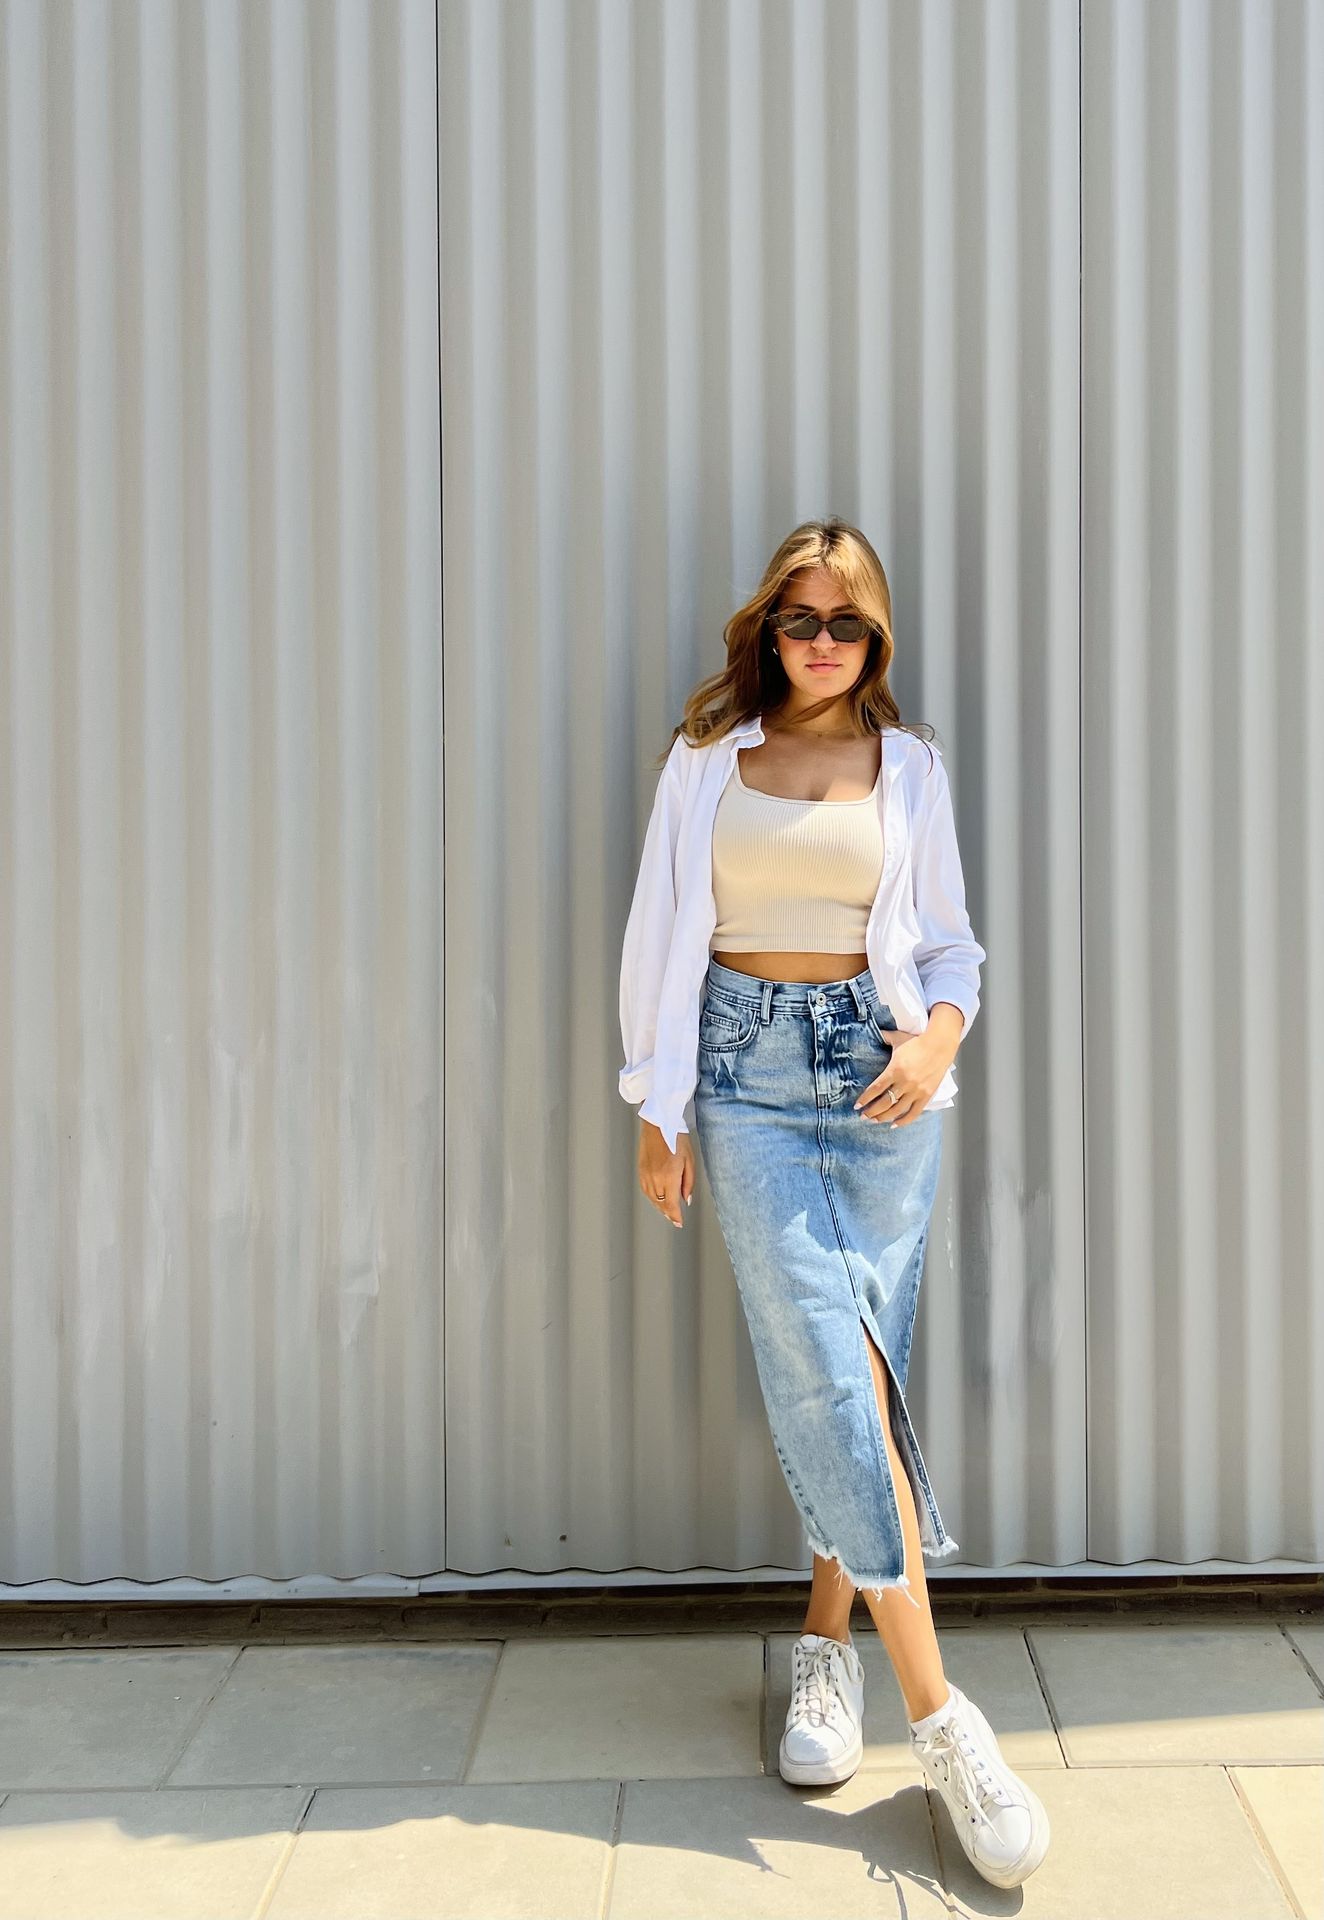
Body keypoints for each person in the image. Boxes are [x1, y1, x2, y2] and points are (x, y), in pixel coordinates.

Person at [617, 517, 1050, 1891]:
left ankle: (826, 1650)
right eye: (799, 619)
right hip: (742, 1080)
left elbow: (952, 942)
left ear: (875, 640)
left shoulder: (907, 768)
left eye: (845, 625)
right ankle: (944, 1717)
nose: (820, 643)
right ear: (767, 629)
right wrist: (657, 1106)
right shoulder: (706, 762)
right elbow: (657, 934)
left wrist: (939, 1034)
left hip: (876, 1081)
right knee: (826, 1369)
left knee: (864, 1362)